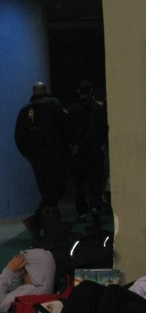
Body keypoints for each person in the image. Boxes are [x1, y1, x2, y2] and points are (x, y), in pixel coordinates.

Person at [14, 81, 72, 241]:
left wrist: (30, 154)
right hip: (55, 155)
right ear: (46, 90)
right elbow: (66, 126)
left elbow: (19, 137)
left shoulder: (24, 110)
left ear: (33, 92)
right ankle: (37, 221)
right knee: (56, 190)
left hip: (36, 158)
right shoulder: (54, 104)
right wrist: (70, 145)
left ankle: (51, 224)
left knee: (46, 191)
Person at [67, 81, 108, 224]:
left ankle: (82, 212)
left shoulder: (72, 110)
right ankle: (95, 207)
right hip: (95, 150)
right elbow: (104, 129)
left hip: (79, 152)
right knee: (95, 181)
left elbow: (69, 131)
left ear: (78, 91)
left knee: (80, 182)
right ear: (91, 90)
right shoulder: (99, 109)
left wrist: (73, 145)